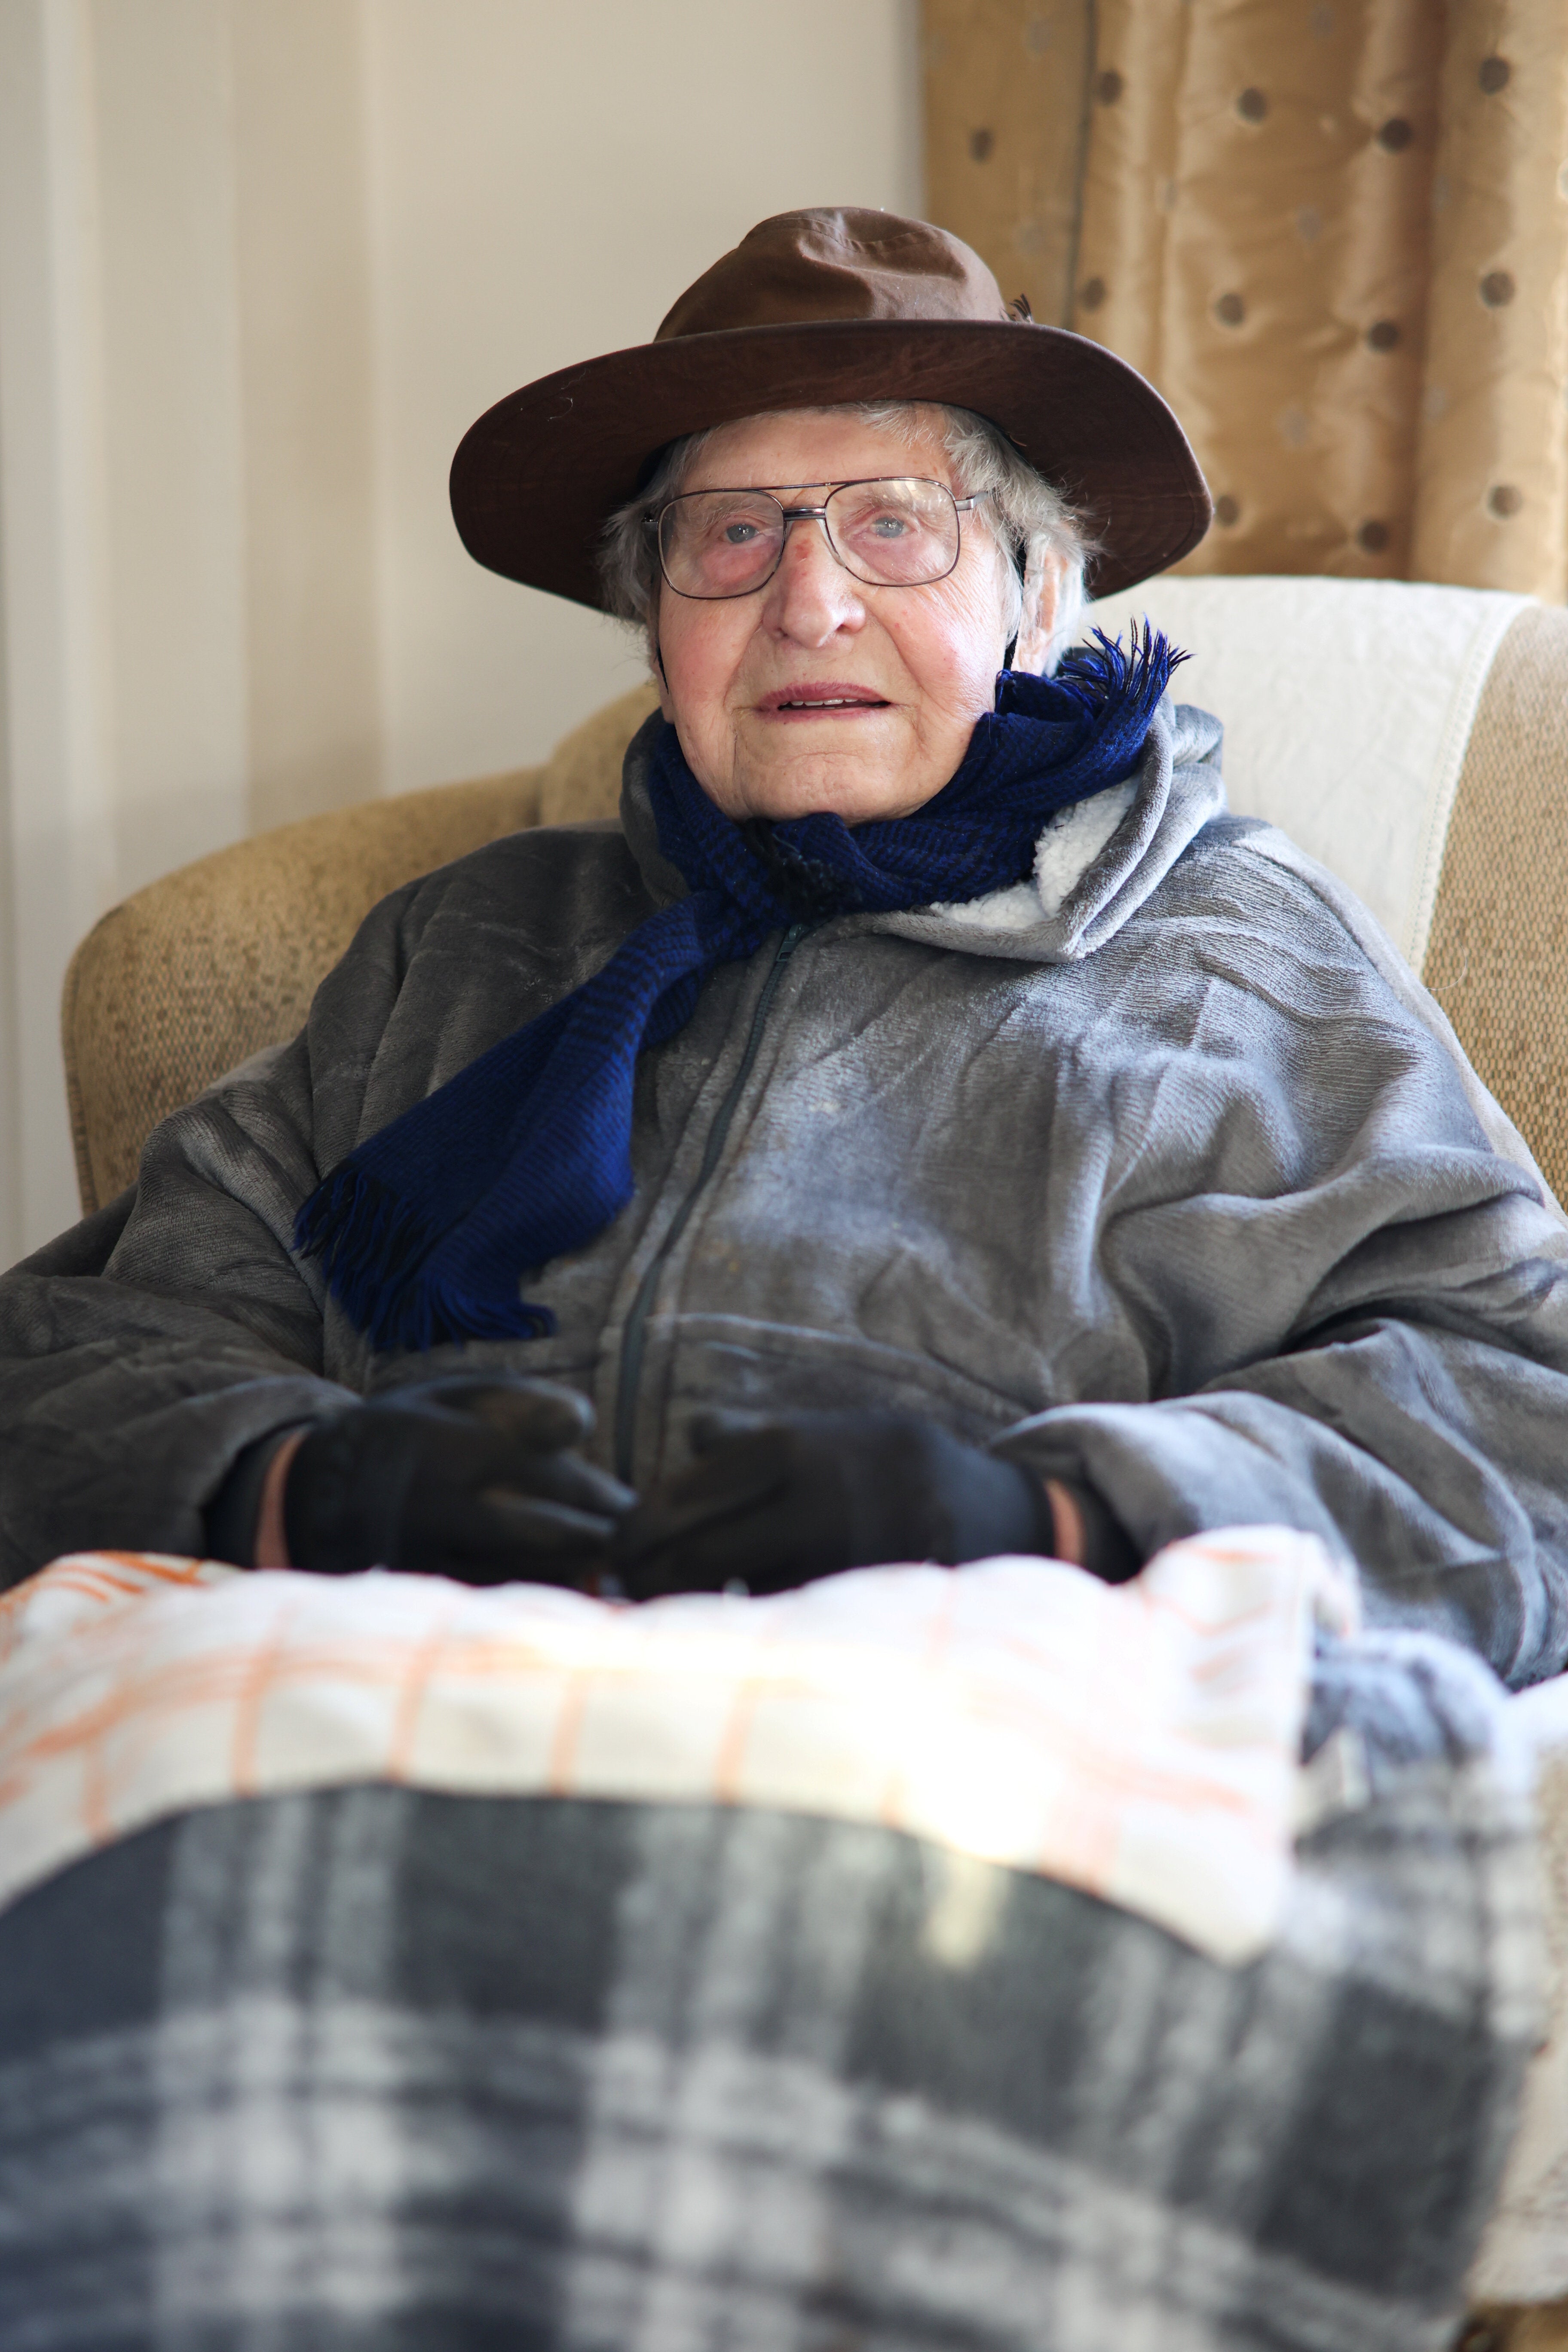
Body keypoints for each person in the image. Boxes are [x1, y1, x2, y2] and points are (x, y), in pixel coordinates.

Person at [2, 206, 1567, 1688]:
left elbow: (1523, 1409)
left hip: (978, 1757)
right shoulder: (466, 941)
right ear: (654, 621)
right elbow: (86, 1344)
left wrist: (1054, 1518)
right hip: (408, 1701)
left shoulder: (1236, 948)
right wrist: (302, 1486)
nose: (808, 603)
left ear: (1035, 600)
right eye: (733, 535)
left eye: (895, 527)